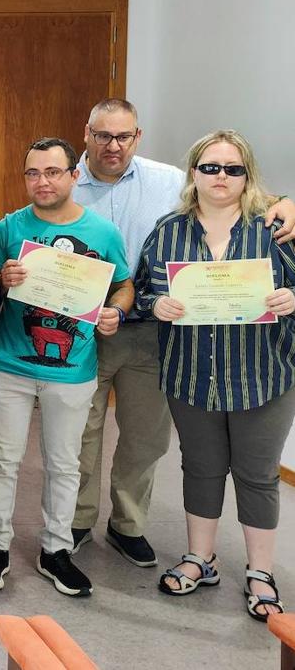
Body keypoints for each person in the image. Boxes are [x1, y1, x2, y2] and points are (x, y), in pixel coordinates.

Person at [71, 98, 295, 568]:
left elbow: (241, 193)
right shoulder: (66, 184)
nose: (113, 145)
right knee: (82, 437)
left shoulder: (174, 182)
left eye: (124, 136)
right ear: (86, 133)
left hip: (161, 339)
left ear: (138, 136)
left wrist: (288, 203)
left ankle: (127, 525)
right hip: (92, 330)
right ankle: (75, 525)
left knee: (146, 439)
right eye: (102, 135)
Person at [136, 129, 295, 621]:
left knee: (257, 475)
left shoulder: (275, 229)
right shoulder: (168, 230)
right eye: (210, 167)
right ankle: (200, 559)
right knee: (200, 468)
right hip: (192, 375)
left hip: (262, 374)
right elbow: (141, 291)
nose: (220, 177)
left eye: (232, 168)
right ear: (194, 173)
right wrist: (155, 303)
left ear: (247, 175)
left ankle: (260, 572)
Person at [0, 137, 133, 599]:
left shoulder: (103, 233)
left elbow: (124, 286)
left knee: (65, 464)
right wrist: (2, 279)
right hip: (9, 363)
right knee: (2, 460)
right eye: (34, 173)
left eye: (53, 172)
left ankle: (56, 550)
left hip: (75, 367)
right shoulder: (6, 230)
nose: (43, 181)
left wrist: (115, 313)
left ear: (73, 174)